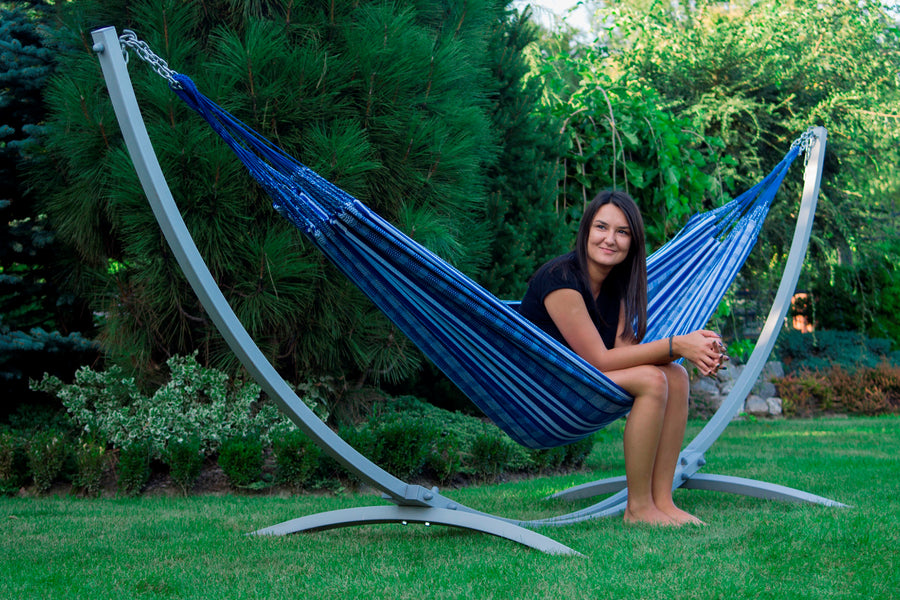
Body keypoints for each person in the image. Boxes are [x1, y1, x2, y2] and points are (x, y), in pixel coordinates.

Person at [519, 190, 726, 526]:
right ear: (586, 230)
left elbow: (623, 352)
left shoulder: (617, 284)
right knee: (652, 378)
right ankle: (638, 508)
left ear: (633, 241)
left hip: (580, 381)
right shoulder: (560, 279)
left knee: (676, 375)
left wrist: (694, 345)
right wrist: (678, 344)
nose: (610, 239)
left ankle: (663, 501)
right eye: (601, 227)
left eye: (622, 231)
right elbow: (599, 360)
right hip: (545, 391)